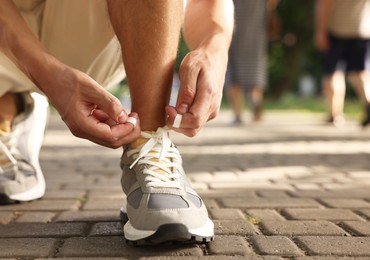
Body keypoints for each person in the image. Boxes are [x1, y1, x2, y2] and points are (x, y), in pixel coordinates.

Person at [0, 0, 234, 245]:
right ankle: (8, 113)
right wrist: (47, 74)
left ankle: (148, 140)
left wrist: (214, 47)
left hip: (86, 31)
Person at [315, 0, 370, 127]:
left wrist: (320, 30)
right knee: (363, 71)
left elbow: (324, 4)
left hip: (337, 29)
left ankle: (335, 114)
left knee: (333, 73)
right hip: (363, 29)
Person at [226, 0, 278, 125]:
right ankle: (256, 99)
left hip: (234, 20)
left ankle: (238, 113)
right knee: (255, 66)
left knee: (233, 68)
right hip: (256, 21)